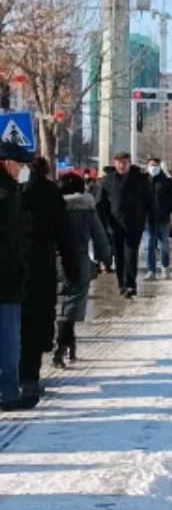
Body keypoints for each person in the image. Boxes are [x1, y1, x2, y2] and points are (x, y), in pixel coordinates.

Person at [18, 158, 76, 397]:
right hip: (40, 266)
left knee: (12, 322)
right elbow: (64, 235)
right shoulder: (50, 193)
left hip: (11, 268)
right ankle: (29, 377)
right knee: (36, 320)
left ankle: (11, 376)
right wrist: (71, 270)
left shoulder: (12, 191)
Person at [55, 171, 112, 366]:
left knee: (59, 304)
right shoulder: (87, 209)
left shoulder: (53, 207)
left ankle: (65, 344)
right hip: (79, 262)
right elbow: (99, 236)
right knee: (71, 304)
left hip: (54, 261)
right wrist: (105, 258)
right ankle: (64, 345)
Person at [0, 141, 32, 410]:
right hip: (5, 277)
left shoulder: (11, 190)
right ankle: (8, 394)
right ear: (7, 163)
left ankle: (9, 391)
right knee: (8, 341)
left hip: (10, 275)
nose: (23, 169)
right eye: (20, 164)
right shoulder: (6, 193)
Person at [104, 151, 150, 298]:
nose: (122, 165)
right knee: (119, 256)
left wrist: (147, 218)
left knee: (130, 255)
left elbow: (148, 200)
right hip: (115, 224)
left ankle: (130, 284)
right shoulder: (108, 180)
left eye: (124, 162)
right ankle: (121, 284)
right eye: (119, 162)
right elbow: (102, 203)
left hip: (134, 224)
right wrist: (104, 222)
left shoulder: (140, 179)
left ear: (129, 163)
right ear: (114, 163)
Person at [144, 156, 172, 280]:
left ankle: (165, 267)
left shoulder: (166, 181)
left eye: (155, 165)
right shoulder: (143, 181)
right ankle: (151, 270)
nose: (153, 167)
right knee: (149, 246)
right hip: (148, 219)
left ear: (159, 166)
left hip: (163, 218)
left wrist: (167, 209)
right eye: (151, 165)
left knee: (164, 245)